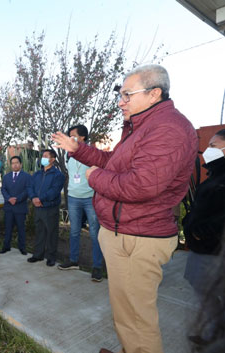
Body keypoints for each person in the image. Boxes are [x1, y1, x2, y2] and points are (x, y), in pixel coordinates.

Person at [52, 64, 198, 353]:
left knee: (136, 318)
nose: (121, 102)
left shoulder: (167, 129)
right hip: (127, 230)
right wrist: (78, 149)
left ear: (154, 93)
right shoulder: (142, 127)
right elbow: (113, 161)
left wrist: (94, 177)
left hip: (139, 236)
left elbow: (141, 185)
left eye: (127, 95)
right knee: (127, 312)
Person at [183, 129, 225, 345]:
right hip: (202, 249)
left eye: (214, 146)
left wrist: (201, 232)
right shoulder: (214, 176)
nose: (208, 150)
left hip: (214, 251)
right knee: (201, 287)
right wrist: (189, 224)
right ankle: (214, 330)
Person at [57, 125, 104, 282]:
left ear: (82, 137)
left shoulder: (92, 154)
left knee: (94, 233)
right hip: (73, 198)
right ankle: (73, 260)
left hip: (90, 198)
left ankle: (97, 267)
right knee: (74, 231)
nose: (70, 138)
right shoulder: (69, 155)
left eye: (73, 136)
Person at [27, 149, 65, 267]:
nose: (42, 158)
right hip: (38, 207)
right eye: (42, 156)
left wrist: (40, 199)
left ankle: (51, 257)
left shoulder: (58, 175)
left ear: (52, 159)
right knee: (39, 231)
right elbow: (30, 187)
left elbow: (54, 191)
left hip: (49, 208)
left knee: (51, 232)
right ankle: (38, 255)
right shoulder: (37, 174)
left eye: (45, 156)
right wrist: (33, 198)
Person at [0, 156, 30, 255]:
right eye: (13, 163)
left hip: (20, 206)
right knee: (8, 228)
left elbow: (27, 190)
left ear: (21, 164)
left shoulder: (27, 177)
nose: (15, 165)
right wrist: (9, 198)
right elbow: (3, 189)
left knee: (21, 228)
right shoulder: (6, 176)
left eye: (17, 163)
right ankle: (6, 246)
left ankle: (22, 247)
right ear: (11, 165)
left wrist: (17, 199)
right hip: (9, 207)